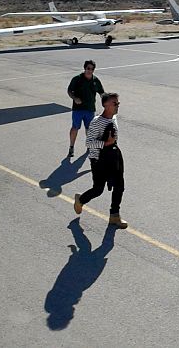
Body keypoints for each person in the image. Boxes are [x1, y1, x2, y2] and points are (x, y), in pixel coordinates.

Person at [74, 92, 128, 229]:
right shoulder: (97, 122)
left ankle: (114, 215)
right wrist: (106, 144)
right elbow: (89, 143)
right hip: (99, 160)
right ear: (105, 105)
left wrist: (112, 146)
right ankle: (80, 200)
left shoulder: (114, 118)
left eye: (118, 103)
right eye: (114, 103)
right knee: (98, 189)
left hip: (114, 156)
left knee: (119, 186)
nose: (117, 106)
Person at [67, 60, 104, 158]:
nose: (90, 71)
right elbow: (70, 91)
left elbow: (101, 92)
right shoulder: (77, 79)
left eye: (92, 69)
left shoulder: (96, 80)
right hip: (78, 110)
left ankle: (89, 146)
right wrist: (75, 98)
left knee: (89, 129)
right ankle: (71, 147)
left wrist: (107, 100)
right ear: (84, 68)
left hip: (90, 109)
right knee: (75, 128)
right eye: (88, 68)